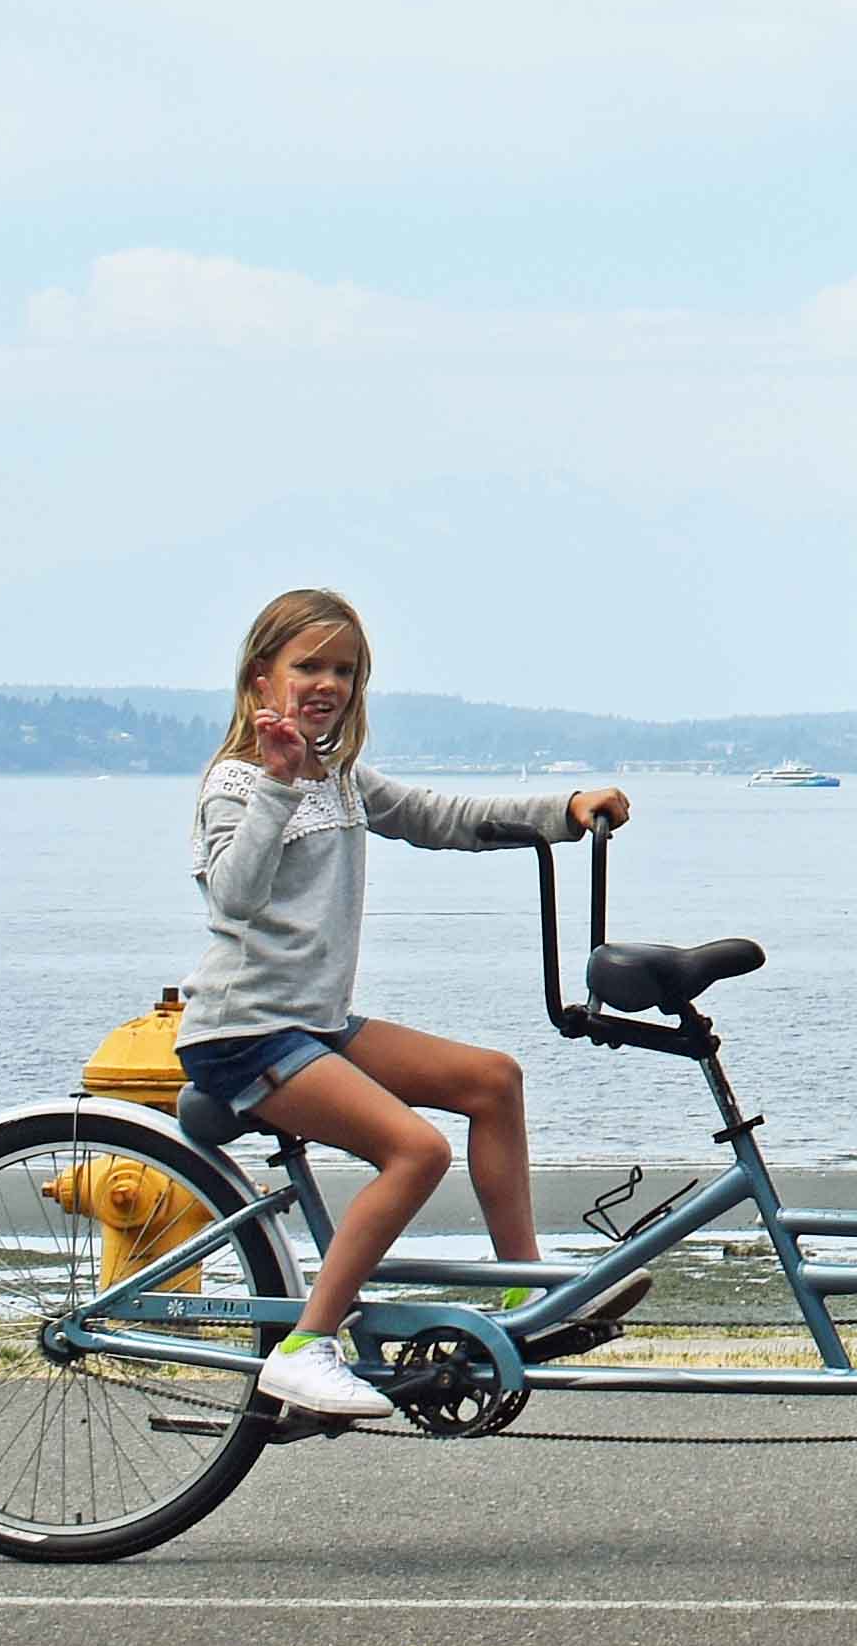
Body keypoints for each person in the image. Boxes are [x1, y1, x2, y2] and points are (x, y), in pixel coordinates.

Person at [174, 589, 630, 1424]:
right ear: (259, 678)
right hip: (245, 1032)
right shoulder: (238, 783)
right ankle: (307, 1348)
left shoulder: (339, 779)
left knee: (492, 1080)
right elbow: (233, 900)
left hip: (314, 1024)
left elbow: (436, 816)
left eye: (343, 670)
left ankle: (528, 1297)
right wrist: (276, 786)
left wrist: (560, 813)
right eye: (307, 665)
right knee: (415, 1152)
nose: (327, 684)